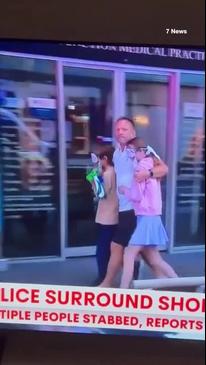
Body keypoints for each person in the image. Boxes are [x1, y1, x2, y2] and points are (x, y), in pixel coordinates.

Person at [99, 117, 169, 288]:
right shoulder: (117, 153)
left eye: (124, 129)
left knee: (117, 247)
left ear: (133, 132)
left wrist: (148, 174)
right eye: (118, 129)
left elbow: (164, 169)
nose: (120, 132)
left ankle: (108, 284)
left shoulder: (142, 149)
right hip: (125, 208)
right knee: (150, 256)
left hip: (135, 209)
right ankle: (172, 286)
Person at [119, 139, 178, 288]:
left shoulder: (140, 168)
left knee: (129, 253)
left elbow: (137, 196)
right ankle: (180, 284)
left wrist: (125, 190)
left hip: (146, 217)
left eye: (132, 151)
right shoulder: (151, 164)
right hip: (152, 217)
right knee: (155, 260)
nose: (131, 154)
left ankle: (122, 292)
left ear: (141, 151)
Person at [94, 147, 119, 284]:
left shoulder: (108, 173)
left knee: (102, 249)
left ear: (105, 159)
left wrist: (92, 178)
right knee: (109, 248)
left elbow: (101, 194)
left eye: (100, 158)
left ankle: (102, 277)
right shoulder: (115, 172)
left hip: (107, 217)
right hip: (113, 215)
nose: (98, 161)